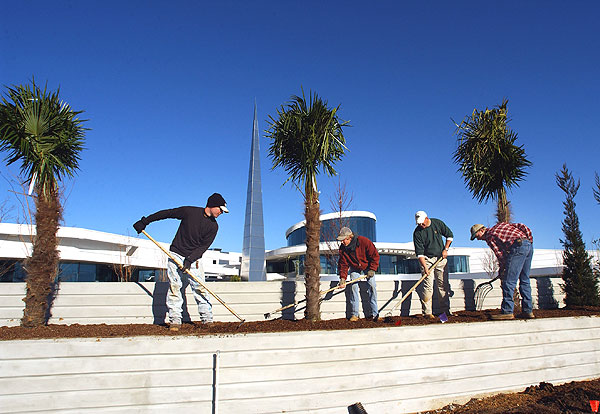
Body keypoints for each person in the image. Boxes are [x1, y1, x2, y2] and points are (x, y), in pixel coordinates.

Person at [133, 193, 229, 331]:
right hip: (176, 254)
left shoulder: (214, 227)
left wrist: (190, 259)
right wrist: (145, 221)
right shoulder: (189, 212)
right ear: (213, 205)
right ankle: (175, 321)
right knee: (175, 287)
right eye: (220, 209)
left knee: (200, 288)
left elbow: (203, 247)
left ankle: (207, 319)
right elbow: (167, 213)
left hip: (194, 259)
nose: (221, 213)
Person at [470, 222, 534, 320]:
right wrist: (529, 241)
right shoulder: (501, 225)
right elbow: (522, 226)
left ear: (482, 230)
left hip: (518, 247)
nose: (478, 239)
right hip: (528, 245)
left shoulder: (489, 236)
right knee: (524, 280)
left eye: (477, 235)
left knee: (508, 282)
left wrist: (503, 269)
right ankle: (528, 311)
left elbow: (500, 254)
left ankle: (507, 311)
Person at [412, 211, 454, 319]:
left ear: (426, 218)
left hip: (440, 258)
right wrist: (425, 268)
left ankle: (445, 313)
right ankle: (427, 313)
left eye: (422, 223)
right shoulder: (417, 233)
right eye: (418, 224)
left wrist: (446, 249)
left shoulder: (437, 223)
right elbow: (420, 254)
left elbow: (450, 235)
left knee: (443, 285)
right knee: (427, 287)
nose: (421, 225)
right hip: (427, 259)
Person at [336, 227, 380, 321]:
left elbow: (375, 255)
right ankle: (355, 314)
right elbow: (343, 264)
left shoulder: (364, 241)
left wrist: (372, 269)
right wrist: (342, 278)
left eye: (343, 240)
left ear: (349, 237)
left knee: (372, 286)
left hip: (368, 265)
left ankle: (375, 314)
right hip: (355, 267)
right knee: (353, 286)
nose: (342, 242)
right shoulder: (343, 249)